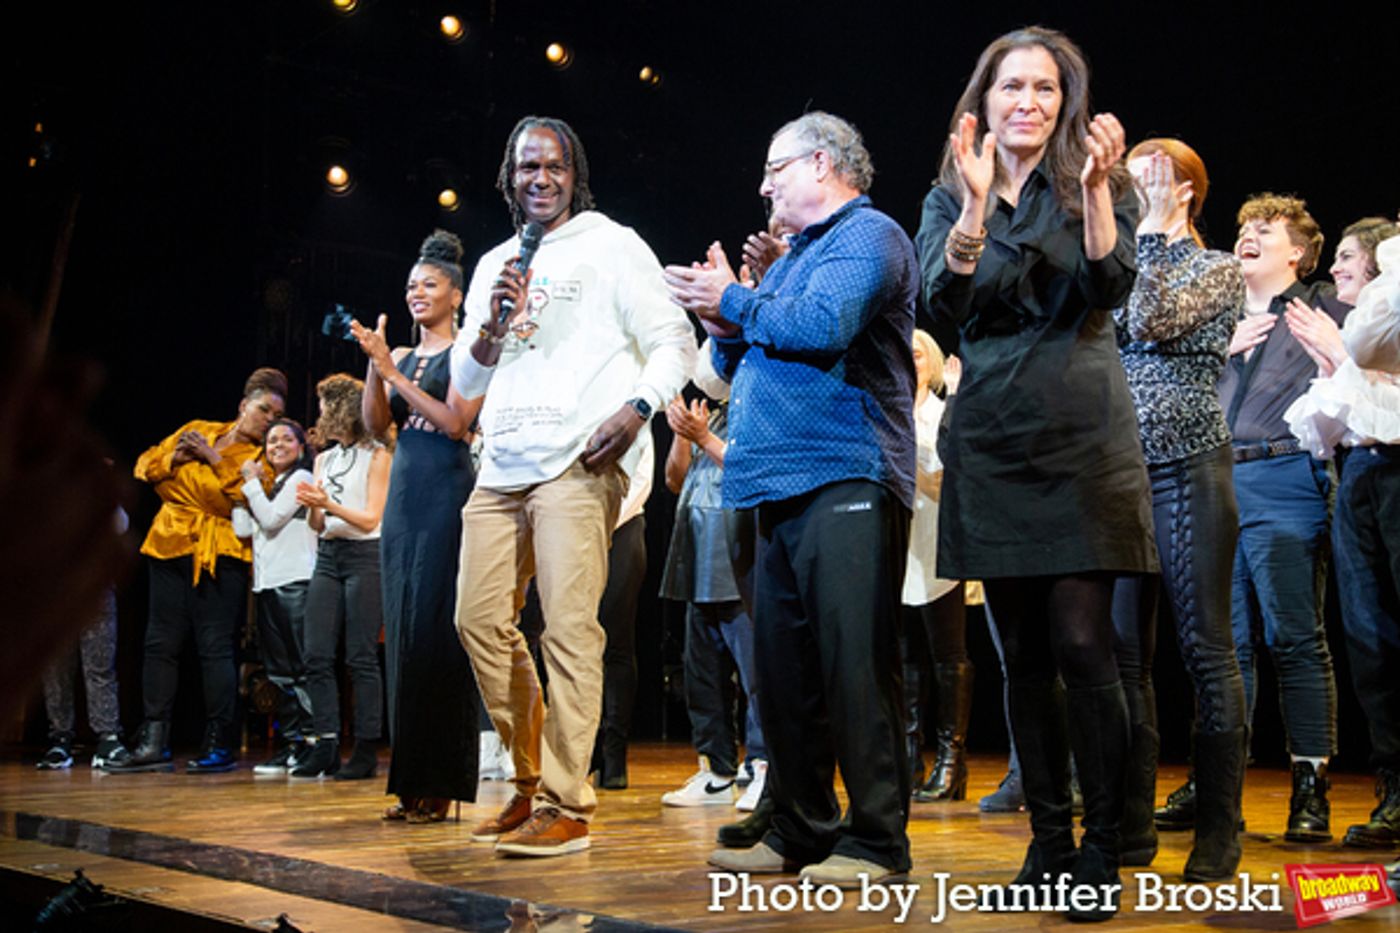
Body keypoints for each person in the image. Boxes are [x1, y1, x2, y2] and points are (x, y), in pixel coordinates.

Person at [914, 27, 1154, 919]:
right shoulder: (949, 191)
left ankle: (1101, 848)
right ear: (985, 99)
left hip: (1083, 437)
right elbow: (944, 305)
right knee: (1020, 657)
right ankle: (1048, 841)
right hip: (993, 439)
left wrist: (1093, 193)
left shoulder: (1101, 182)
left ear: (1066, 101)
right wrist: (977, 208)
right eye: (1012, 86)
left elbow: (1107, 287)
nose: (1029, 101)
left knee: (1087, 644)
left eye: (1046, 89)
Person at [665, 110, 917, 889]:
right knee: (782, 674)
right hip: (771, 482)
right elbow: (742, 353)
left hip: (848, 472)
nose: (763, 182)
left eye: (775, 167)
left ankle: (877, 839)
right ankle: (803, 826)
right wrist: (723, 312)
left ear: (819, 163)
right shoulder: (795, 255)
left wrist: (738, 299)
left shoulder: (869, 237)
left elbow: (820, 325)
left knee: (854, 668)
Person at [450, 115, 693, 856]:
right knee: (477, 621)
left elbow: (674, 340)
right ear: (509, 176)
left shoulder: (613, 245)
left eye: (553, 166)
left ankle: (568, 802)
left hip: (577, 462)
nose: (541, 178)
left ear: (573, 172)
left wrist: (638, 409)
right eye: (527, 167)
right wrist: (490, 327)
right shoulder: (495, 261)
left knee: (568, 630)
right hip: (501, 465)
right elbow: (464, 382)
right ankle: (529, 782)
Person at [1168, 193, 1339, 842]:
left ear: (1296, 251)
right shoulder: (1217, 315)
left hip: (1285, 475)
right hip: (1214, 478)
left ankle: (1310, 786)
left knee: (1294, 636)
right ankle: (1217, 780)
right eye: (1242, 228)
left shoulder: (1320, 306)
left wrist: (1338, 345)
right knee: (1223, 645)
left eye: (1263, 230)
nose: (1246, 237)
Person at [1109, 139, 1249, 881]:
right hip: (1122, 473)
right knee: (1122, 657)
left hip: (1190, 464)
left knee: (1204, 648)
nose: (1134, 193)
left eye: (1149, 182)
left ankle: (1220, 826)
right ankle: (1131, 827)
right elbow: (1116, 319)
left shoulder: (1217, 267)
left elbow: (1151, 318)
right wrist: (1140, 237)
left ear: (1185, 190)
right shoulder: (1128, 257)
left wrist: (1158, 232)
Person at [354, 229, 480, 821]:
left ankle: (440, 780)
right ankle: (408, 778)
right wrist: (379, 369)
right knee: (402, 634)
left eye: (428, 284)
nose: (416, 293)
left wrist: (395, 374)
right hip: (404, 496)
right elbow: (378, 424)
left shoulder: (470, 351)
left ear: (455, 295)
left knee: (435, 632)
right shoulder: (400, 356)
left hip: (445, 492)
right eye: (410, 285)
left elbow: (456, 423)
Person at [1284, 217, 1400, 849]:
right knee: (1370, 641)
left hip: (1397, 469)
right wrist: (1335, 360)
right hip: (1357, 476)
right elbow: (1326, 429)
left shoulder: (1383, 328)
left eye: (1350, 257)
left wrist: (1342, 354)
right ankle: (1395, 789)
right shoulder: (1350, 333)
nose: (1337, 268)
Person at [110, 367, 288, 774]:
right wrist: (176, 458)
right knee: (160, 644)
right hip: (170, 543)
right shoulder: (198, 429)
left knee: (214, 648)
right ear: (244, 406)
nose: (269, 422)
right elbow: (145, 468)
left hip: (221, 554)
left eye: (277, 417)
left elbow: (240, 500)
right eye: (264, 411)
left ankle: (219, 742)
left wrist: (210, 462)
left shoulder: (264, 457)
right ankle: (154, 739)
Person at [658, 346, 767, 813]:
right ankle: (716, 770)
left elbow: (753, 471)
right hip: (696, 559)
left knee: (757, 674)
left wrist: (702, 438)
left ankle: (764, 767)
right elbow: (674, 481)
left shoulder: (758, 406)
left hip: (739, 561)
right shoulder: (709, 412)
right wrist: (683, 437)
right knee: (702, 674)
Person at [290, 373, 391, 780]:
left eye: (324, 407)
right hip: (329, 556)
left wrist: (328, 502)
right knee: (316, 653)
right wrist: (316, 507)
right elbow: (317, 524)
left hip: (366, 555)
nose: (319, 415)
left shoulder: (379, 455)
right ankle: (326, 742)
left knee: (361, 655)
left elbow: (370, 518)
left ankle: (366, 747)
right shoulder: (324, 458)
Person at [902, 330, 972, 803]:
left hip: (936, 544)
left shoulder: (943, 413)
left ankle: (952, 759)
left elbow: (952, 478)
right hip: (895, 544)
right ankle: (907, 755)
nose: (912, 357)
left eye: (919, 349)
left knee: (948, 654)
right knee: (903, 657)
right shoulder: (883, 413)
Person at [232, 419, 318, 774]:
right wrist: (240, 494)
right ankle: (292, 743)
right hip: (268, 585)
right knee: (279, 671)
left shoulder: (302, 479)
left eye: (286, 439)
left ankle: (314, 743)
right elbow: (244, 529)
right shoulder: (269, 486)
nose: (277, 445)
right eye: (270, 441)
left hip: (296, 582)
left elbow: (269, 520)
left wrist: (251, 485)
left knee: (301, 667)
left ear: (300, 447)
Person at [37, 506, 129, 770]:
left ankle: (108, 737)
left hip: (95, 583)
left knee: (100, 663)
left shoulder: (95, 486)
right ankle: (60, 737)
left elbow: (121, 525)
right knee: (56, 667)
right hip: (55, 586)